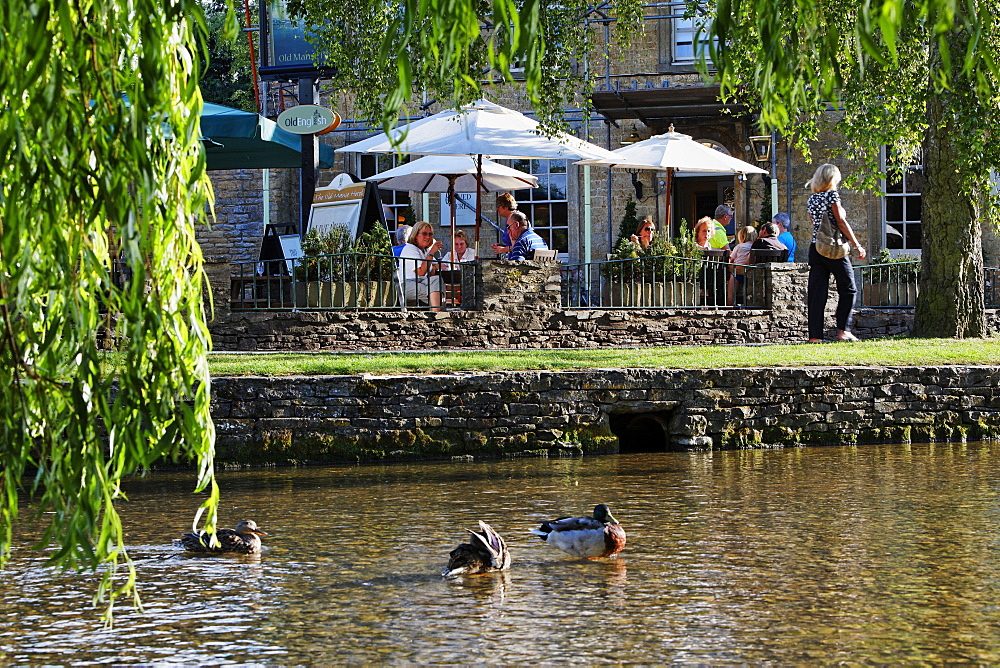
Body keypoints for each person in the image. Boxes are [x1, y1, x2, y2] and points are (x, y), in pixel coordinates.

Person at [805, 163, 867, 343]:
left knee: (817, 293)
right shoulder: (832, 195)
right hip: (834, 248)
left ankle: (815, 336)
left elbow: (814, 222)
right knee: (848, 288)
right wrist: (857, 245)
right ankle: (843, 331)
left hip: (816, 247)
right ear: (832, 179)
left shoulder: (812, 198)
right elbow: (840, 222)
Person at [397, 220, 444, 311]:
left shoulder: (424, 251)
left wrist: (434, 266)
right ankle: (437, 314)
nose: (428, 237)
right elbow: (421, 272)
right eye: (424, 233)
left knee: (437, 281)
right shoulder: (410, 248)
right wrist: (431, 252)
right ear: (416, 235)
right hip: (407, 284)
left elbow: (430, 275)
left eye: (430, 234)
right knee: (435, 293)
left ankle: (437, 312)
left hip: (421, 282)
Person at [727, 225, 758, 306]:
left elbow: (731, 260)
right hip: (749, 273)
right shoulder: (755, 247)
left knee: (731, 294)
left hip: (737, 272)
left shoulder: (739, 246)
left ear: (743, 237)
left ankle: (729, 307)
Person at [491, 192, 517, 256]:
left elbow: (520, 246)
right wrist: (502, 246)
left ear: (505, 207)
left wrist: (504, 249)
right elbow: (512, 244)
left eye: (498, 206)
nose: (497, 209)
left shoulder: (516, 220)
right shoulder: (509, 219)